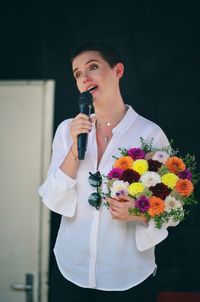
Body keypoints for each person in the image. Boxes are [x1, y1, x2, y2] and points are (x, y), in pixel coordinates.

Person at [39, 41, 174, 302]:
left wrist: (138, 211)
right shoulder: (67, 131)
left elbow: (172, 209)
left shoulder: (149, 134)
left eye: (93, 67)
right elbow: (53, 199)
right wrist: (74, 152)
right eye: (77, 73)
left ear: (118, 71)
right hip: (70, 273)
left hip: (128, 277)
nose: (84, 77)